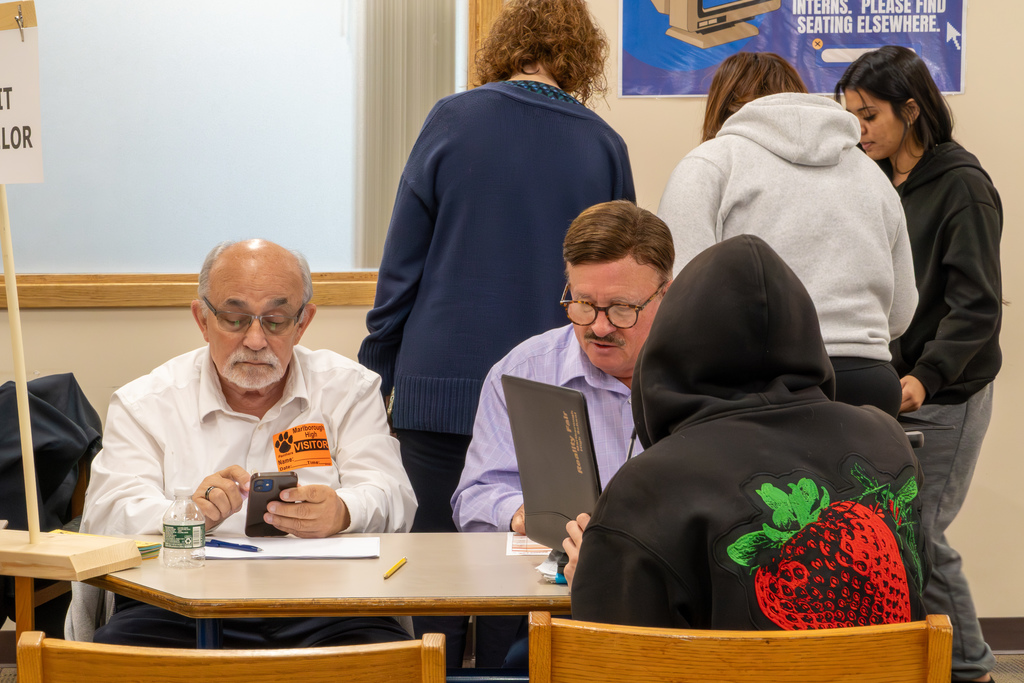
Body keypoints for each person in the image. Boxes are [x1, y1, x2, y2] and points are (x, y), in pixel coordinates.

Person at [358, 0, 634, 666]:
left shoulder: (451, 119)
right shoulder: (602, 143)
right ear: (582, 56)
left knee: (435, 580)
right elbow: (622, 267)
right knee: (535, 572)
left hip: (438, 388)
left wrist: (373, 379)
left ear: (502, 46)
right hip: (546, 402)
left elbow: (401, 269)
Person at [564, 235, 929, 635]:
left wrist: (595, 573)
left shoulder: (646, 486)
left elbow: (618, 659)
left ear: (671, 343)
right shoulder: (887, 441)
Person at [77, 239, 416, 648]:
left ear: (302, 322)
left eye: (275, 320)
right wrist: (187, 513)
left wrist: (343, 511)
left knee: (394, 660)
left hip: (328, 604)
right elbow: (105, 513)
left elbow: (393, 494)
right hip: (178, 605)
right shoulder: (146, 402)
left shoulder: (349, 390)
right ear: (202, 319)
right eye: (235, 319)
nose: (255, 340)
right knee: (113, 660)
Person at [836, 46, 1002, 683]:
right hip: (895, 386)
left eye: (870, 114)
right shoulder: (874, 182)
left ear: (912, 109)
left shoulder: (963, 186)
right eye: (850, 114)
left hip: (949, 391)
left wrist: (922, 379)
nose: (859, 129)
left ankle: (973, 670)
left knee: (923, 536)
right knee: (894, 538)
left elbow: (977, 309)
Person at [657, 52, 917, 417]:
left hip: (763, 384)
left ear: (721, 104)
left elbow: (682, 298)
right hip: (869, 382)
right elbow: (902, 311)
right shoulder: (871, 174)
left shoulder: (711, 163)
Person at [453, 200, 673, 535]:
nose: (599, 328)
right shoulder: (523, 373)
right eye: (583, 304)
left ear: (666, 295)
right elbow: (475, 499)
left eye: (621, 308)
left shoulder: (716, 373)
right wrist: (523, 514)